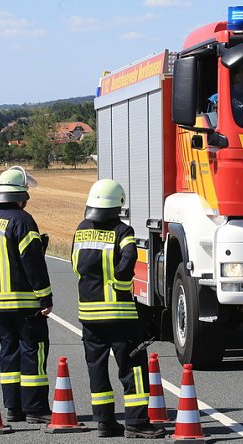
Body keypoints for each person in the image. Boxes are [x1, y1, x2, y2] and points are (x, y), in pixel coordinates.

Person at [72, 179, 165, 439]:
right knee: (132, 367)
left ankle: (104, 423)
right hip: (119, 314)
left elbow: (75, 265)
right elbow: (128, 262)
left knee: (97, 368)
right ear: (118, 204)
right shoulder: (123, 231)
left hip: (89, 314)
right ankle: (136, 423)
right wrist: (121, 286)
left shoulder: (81, 230)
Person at [0, 166, 53, 424]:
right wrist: (45, 297)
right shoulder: (23, 221)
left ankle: (13, 408)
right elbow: (32, 261)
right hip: (25, 301)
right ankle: (36, 409)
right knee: (34, 350)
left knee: (8, 351)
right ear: (21, 196)